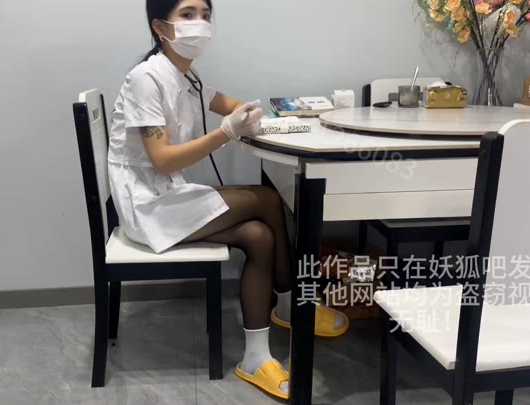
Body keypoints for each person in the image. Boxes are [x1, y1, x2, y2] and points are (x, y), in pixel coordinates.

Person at [108, 0, 349, 399]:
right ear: (160, 27)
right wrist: (227, 132)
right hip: (147, 209)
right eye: (187, 15)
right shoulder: (145, 79)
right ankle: (290, 305)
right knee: (267, 199)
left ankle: (255, 357)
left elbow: (230, 105)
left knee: (259, 235)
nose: (200, 23)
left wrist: (247, 115)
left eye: (205, 15)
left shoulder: (185, 76)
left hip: (167, 197)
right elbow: (163, 160)